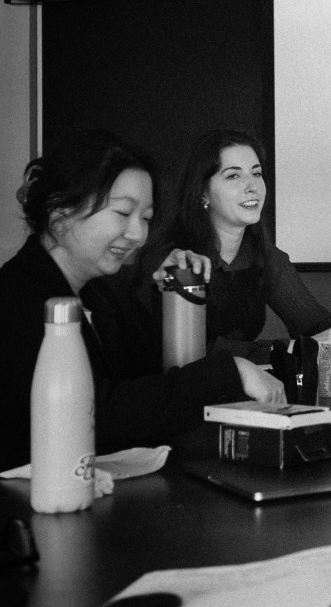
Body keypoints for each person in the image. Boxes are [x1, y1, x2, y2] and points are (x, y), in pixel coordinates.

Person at [0, 130, 285, 472]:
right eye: (122, 213)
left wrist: (169, 293)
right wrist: (230, 370)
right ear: (60, 217)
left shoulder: (99, 292)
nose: (137, 234)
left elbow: (150, 379)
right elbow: (96, 414)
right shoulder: (17, 297)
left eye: (146, 218)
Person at [122, 130, 331, 368]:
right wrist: (293, 348)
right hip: (167, 396)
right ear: (202, 192)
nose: (253, 187)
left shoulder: (265, 256)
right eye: (234, 175)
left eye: (257, 173)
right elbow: (199, 352)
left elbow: (315, 325)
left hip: (234, 391)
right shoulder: (176, 257)